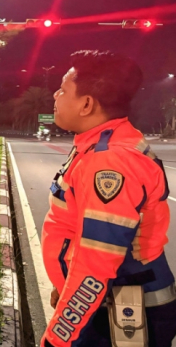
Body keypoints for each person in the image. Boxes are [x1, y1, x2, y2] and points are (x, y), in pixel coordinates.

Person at [41, 51, 176, 346]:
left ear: (87, 104)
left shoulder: (110, 162)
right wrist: (62, 284)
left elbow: (96, 265)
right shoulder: (100, 143)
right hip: (108, 302)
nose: (55, 95)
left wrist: (60, 336)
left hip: (124, 312)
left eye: (63, 89)